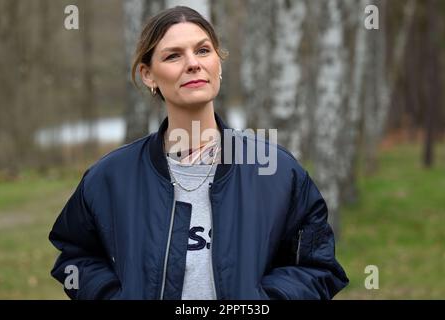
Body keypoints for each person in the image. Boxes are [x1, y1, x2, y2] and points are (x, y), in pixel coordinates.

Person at [49, 6, 348, 300]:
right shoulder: (111, 176)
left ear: (219, 62)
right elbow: (76, 258)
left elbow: (316, 266)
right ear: (148, 75)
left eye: (203, 50)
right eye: (173, 55)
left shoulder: (275, 171)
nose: (192, 63)